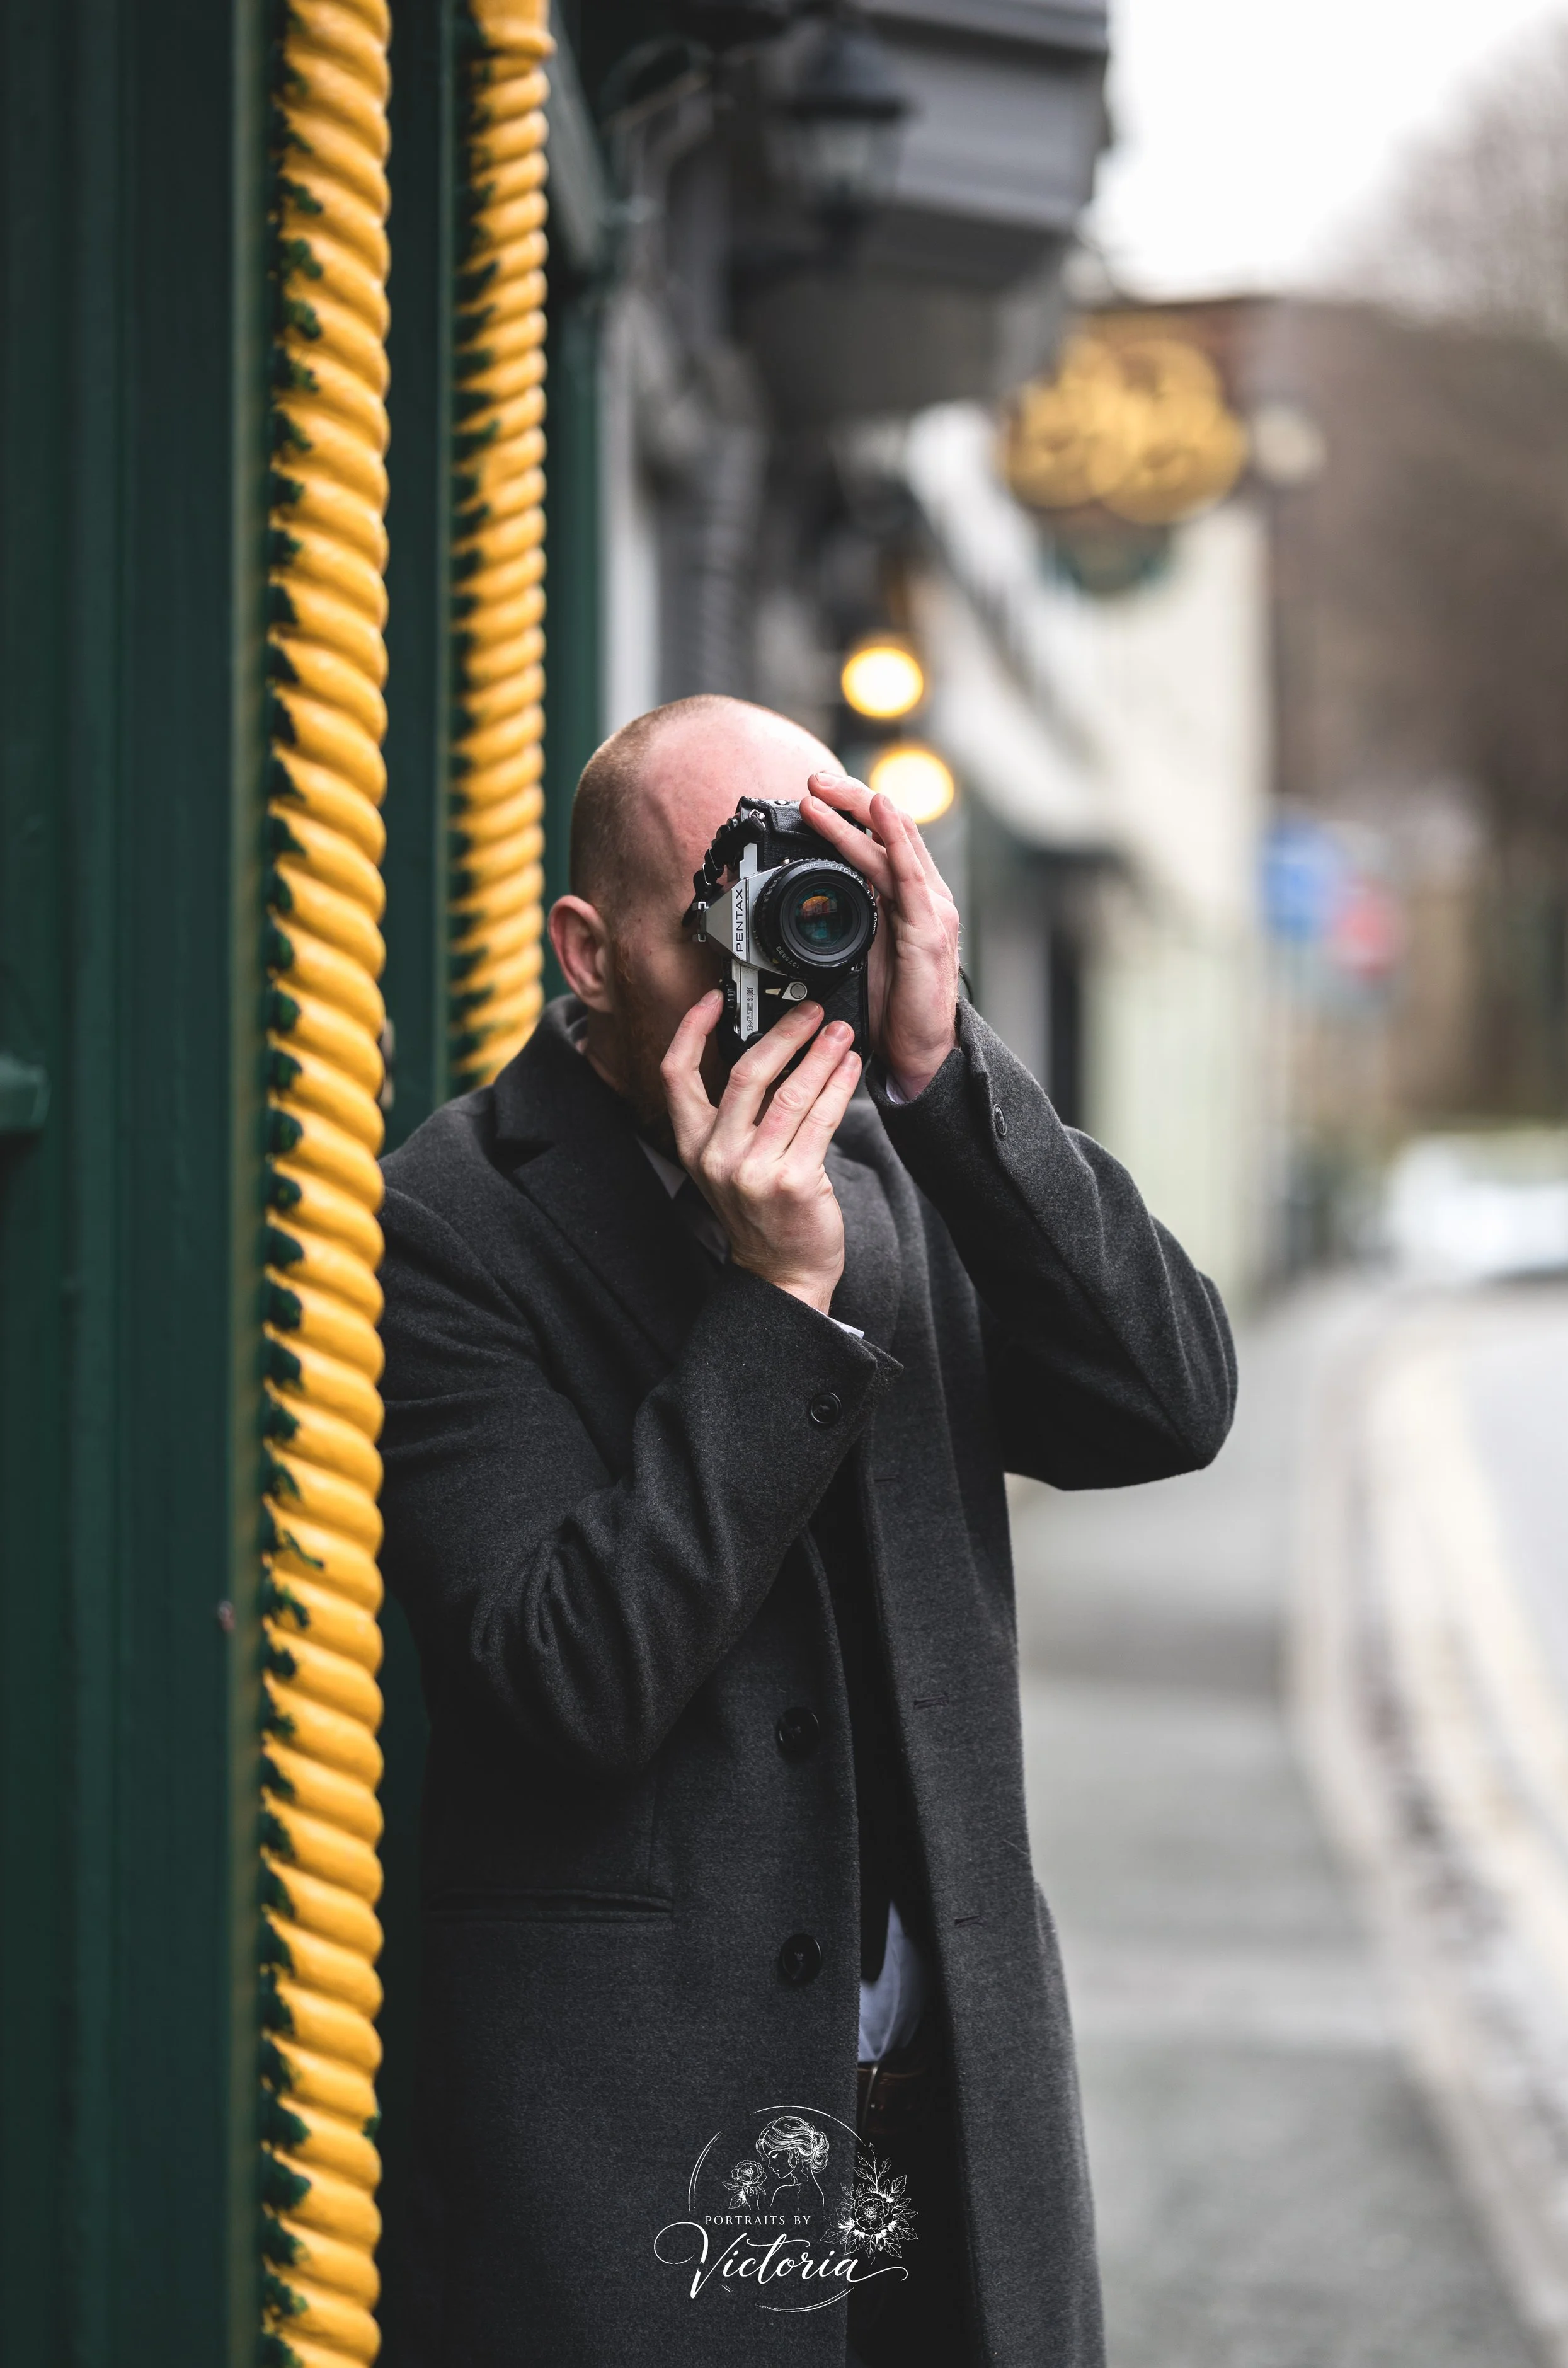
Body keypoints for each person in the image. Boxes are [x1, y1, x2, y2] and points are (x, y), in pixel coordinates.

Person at [376, 694, 1237, 2368]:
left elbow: (1166, 1401)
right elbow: (567, 1679)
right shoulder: (449, 1220)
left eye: (827, 879)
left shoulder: (902, 1151)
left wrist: (941, 1061)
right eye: (737, 892)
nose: (790, 934)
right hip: (638, 2171)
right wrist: (776, 1298)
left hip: (950, 2142)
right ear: (591, 945)